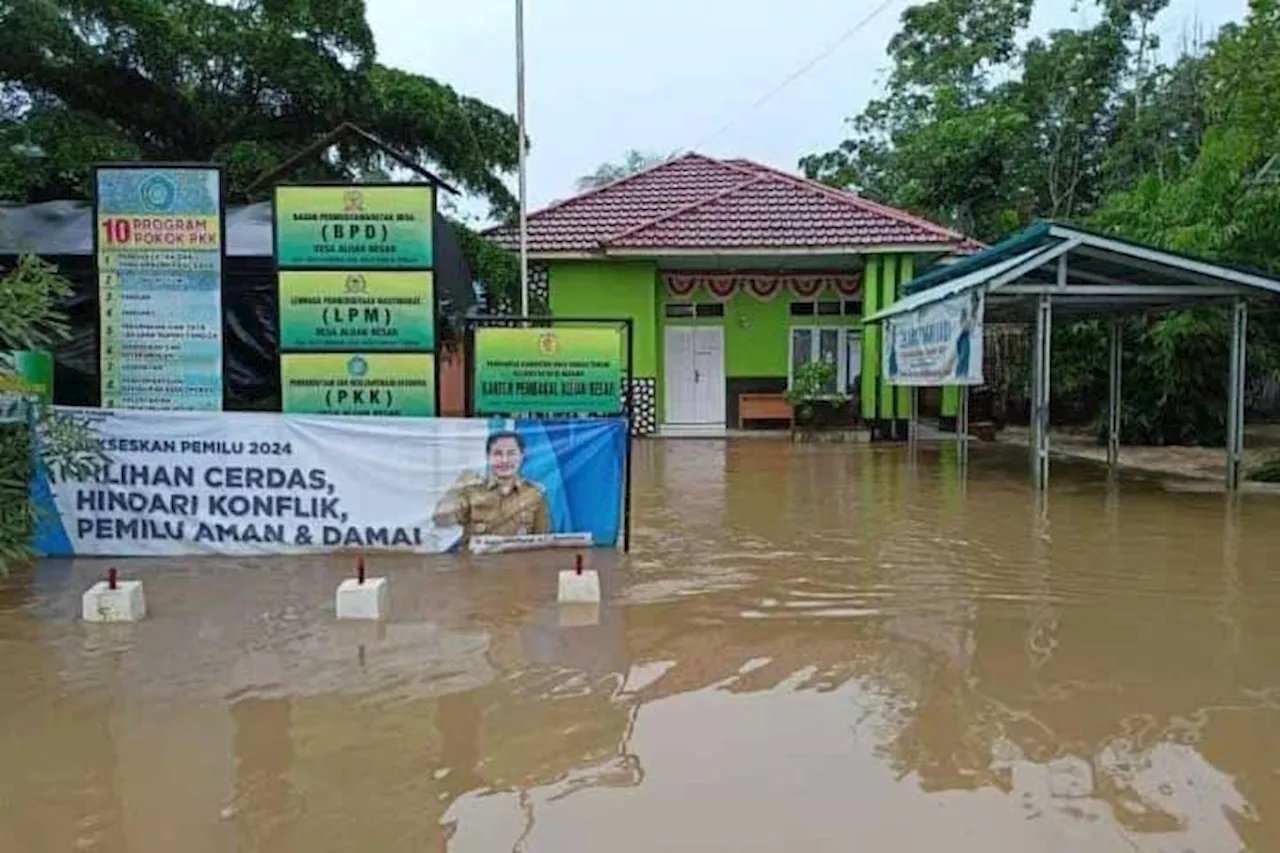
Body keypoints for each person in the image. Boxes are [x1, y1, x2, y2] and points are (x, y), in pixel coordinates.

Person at [433, 429, 552, 546]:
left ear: (522, 456)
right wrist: (456, 488)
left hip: (519, 563)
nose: (504, 460)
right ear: (488, 457)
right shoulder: (471, 489)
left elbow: (542, 541)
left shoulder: (534, 493)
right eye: (497, 454)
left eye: (511, 453)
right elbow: (440, 520)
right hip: (476, 563)